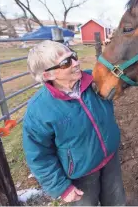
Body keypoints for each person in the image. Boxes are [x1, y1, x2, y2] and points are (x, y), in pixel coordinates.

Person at [22, 40, 126, 206]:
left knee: (117, 202)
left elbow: (123, 74)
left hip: (110, 158)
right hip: (80, 173)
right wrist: (61, 187)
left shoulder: (94, 80)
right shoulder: (39, 110)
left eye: (74, 56)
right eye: (66, 63)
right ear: (48, 75)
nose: (76, 63)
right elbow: (38, 156)